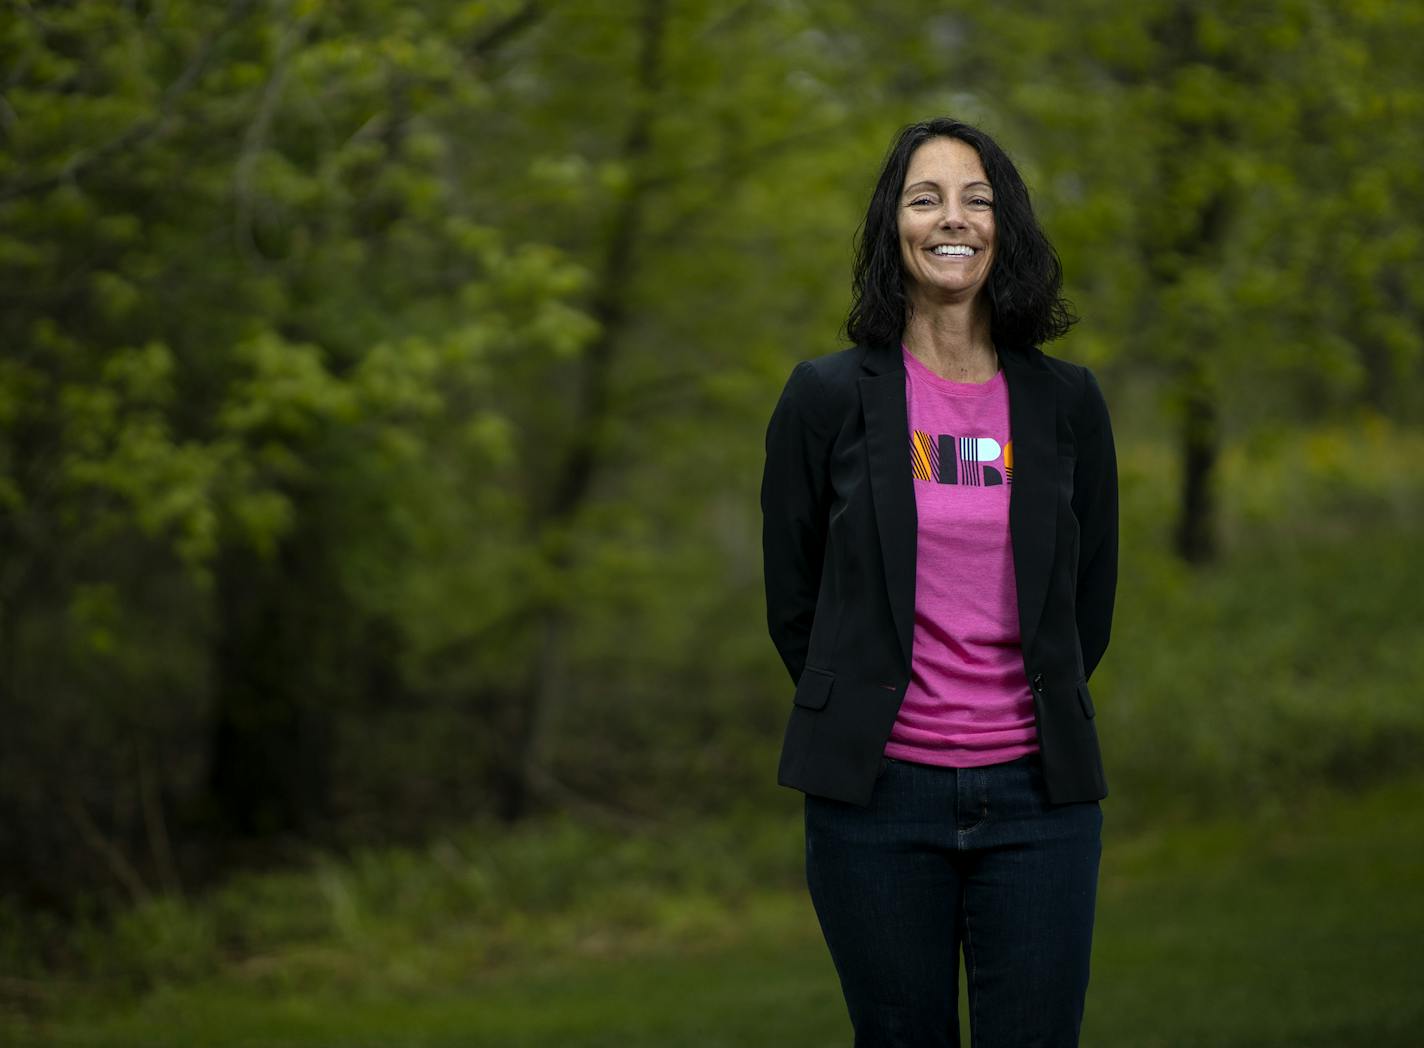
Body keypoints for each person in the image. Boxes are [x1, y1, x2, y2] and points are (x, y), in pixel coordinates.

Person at [760, 117, 1118, 1047]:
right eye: (925, 199)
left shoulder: (1066, 403)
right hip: (877, 801)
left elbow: (1089, 600)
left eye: (977, 199)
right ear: (893, 228)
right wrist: (869, 702)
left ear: (1008, 229)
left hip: (1040, 798)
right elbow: (795, 598)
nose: (951, 220)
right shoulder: (826, 398)